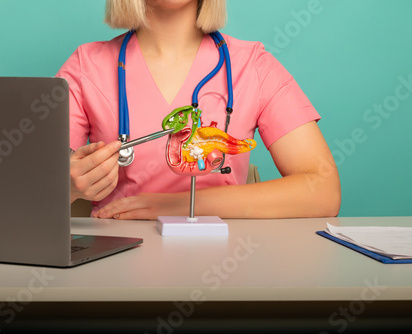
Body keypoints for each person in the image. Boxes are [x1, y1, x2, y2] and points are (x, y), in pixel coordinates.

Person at [57, 0, 341, 220]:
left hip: (222, 265)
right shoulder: (86, 67)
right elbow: (25, 192)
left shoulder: (252, 66)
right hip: (115, 271)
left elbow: (323, 190)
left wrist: (182, 206)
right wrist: (69, 187)